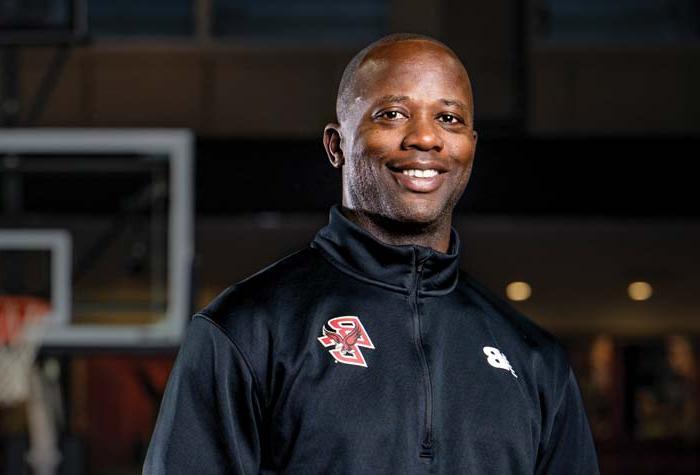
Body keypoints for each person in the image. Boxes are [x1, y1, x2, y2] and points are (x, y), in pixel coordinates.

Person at [144, 33, 599, 474]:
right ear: (336, 145)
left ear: (471, 149)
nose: (425, 138)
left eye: (449, 119)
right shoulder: (248, 330)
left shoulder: (534, 358)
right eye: (393, 113)